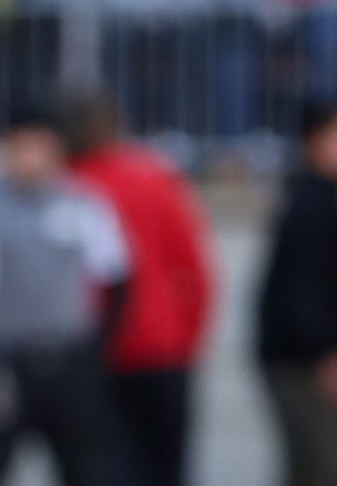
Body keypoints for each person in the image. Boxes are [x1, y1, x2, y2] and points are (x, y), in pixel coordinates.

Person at [0, 109, 134, 486]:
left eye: (40, 146)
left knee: (88, 465)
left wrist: (98, 344)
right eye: (22, 147)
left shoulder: (82, 201)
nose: (31, 157)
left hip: (68, 360)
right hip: (4, 363)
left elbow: (115, 272)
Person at [63, 94, 213, 486]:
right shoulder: (154, 177)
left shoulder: (67, 185)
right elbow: (195, 271)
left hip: (95, 355)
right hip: (162, 352)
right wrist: (187, 340)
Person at [258, 99, 337, 486]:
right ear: (319, 140)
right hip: (308, 364)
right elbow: (304, 291)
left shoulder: (313, 194)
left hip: (300, 359)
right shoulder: (312, 203)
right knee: (328, 467)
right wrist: (330, 353)